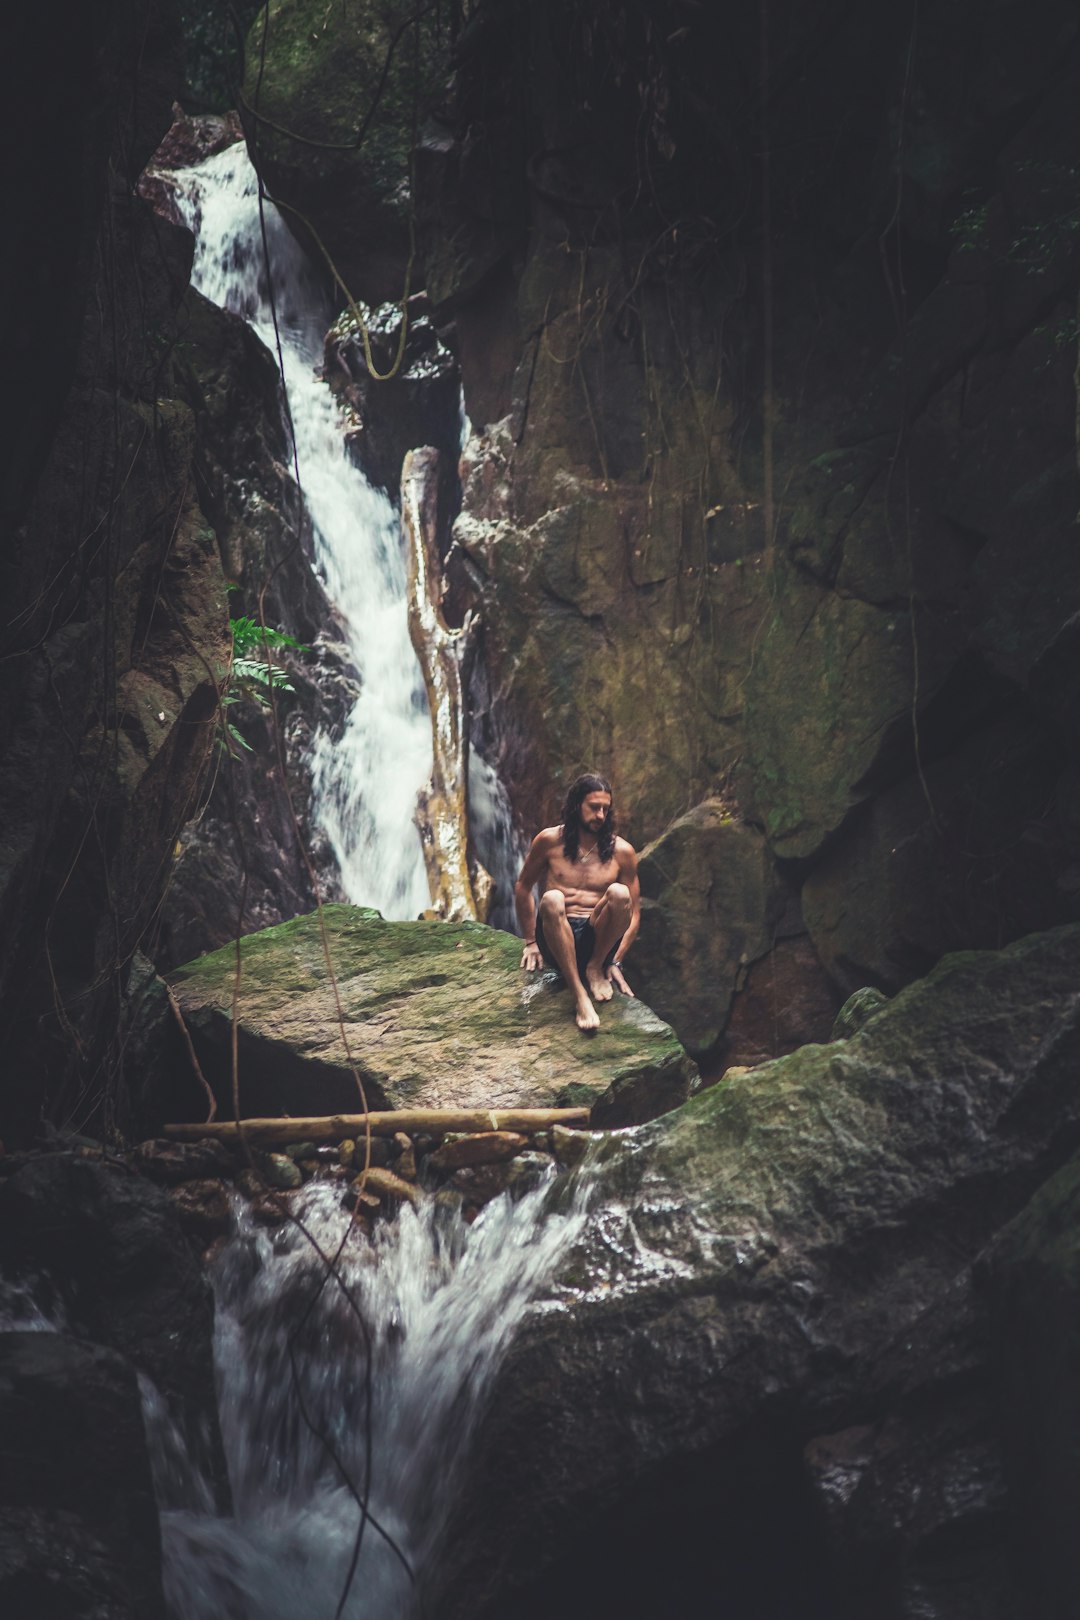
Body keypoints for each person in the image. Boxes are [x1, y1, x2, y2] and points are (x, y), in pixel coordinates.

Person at [514, 772, 640, 1032]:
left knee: (619, 893)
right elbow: (523, 886)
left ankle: (595, 967)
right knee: (551, 898)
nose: (601, 816)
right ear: (576, 805)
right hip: (557, 936)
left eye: (606, 809)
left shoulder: (623, 852)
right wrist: (530, 942)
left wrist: (614, 960)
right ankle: (579, 995)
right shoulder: (549, 841)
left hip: (599, 939)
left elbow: (634, 913)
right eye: (594, 808)